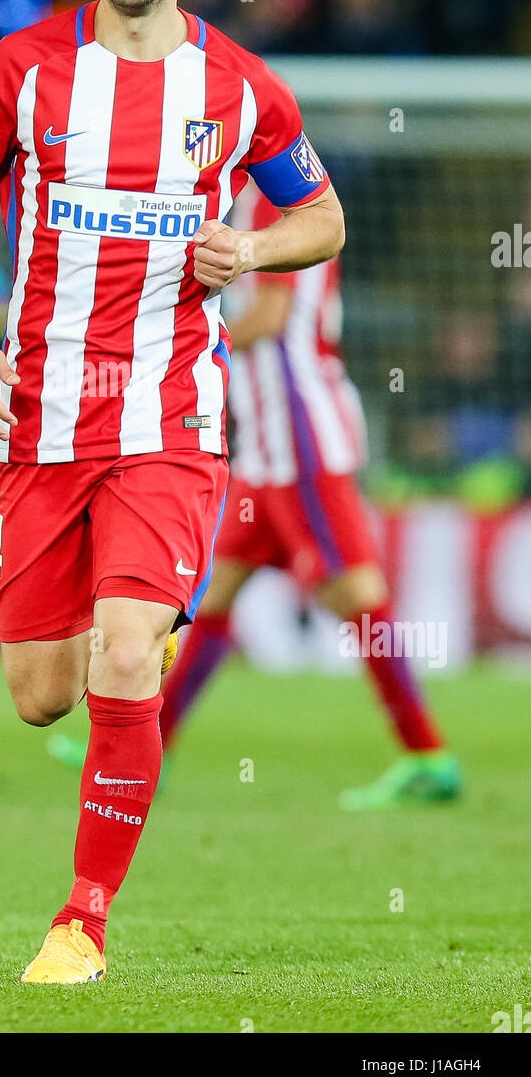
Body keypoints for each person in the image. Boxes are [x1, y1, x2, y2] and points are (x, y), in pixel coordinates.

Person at [0, 0, 345, 984]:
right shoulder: (25, 68)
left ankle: (82, 922)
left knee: (116, 660)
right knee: (37, 694)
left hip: (168, 417)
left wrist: (250, 243)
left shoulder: (238, 87)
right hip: (39, 424)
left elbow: (323, 217)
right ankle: (142, 637)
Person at [157, 186, 463, 809]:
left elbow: (271, 317)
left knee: (355, 594)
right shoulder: (248, 202)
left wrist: (178, 348)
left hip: (300, 436)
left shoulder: (273, 200)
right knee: (213, 593)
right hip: (269, 448)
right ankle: (146, 744)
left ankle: (427, 752)